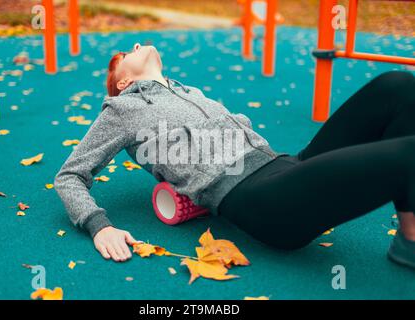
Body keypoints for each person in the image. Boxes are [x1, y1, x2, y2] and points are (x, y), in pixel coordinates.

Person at [54, 42, 415, 269]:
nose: (136, 45)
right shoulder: (122, 109)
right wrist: (98, 226)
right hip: (262, 200)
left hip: (287, 166)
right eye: (124, 54)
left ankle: (408, 240)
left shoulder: (189, 91)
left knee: (397, 86)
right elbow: (70, 175)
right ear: (122, 82)